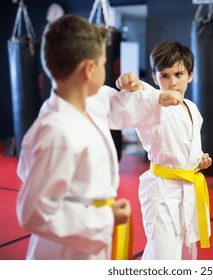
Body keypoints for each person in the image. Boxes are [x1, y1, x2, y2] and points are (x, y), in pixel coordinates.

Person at [16, 15, 181, 260]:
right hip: (64, 253)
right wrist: (106, 217)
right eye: (103, 63)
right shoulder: (56, 131)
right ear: (88, 70)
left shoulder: (91, 100)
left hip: (91, 240)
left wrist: (153, 96)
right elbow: (34, 212)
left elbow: (119, 107)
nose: (105, 72)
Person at [116, 40, 213, 260]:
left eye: (178, 74)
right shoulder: (155, 105)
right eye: (165, 76)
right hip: (161, 195)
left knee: (172, 256)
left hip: (187, 191)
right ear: (155, 78)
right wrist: (134, 85)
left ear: (190, 75)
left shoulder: (192, 108)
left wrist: (199, 160)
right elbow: (143, 94)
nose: (172, 82)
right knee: (166, 260)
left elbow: (186, 148)